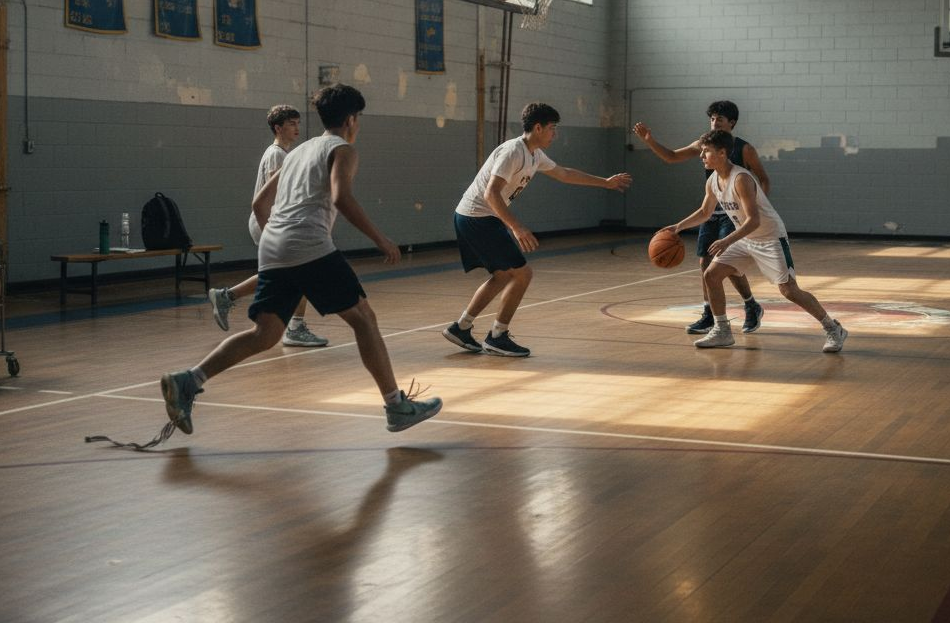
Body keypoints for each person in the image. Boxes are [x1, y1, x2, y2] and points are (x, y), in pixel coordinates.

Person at [161, 84, 442, 435]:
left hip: (274, 247)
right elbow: (342, 198)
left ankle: (188, 380)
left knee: (265, 335)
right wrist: (381, 240)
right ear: (352, 119)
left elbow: (259, 204)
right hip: (308, 245)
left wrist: (277, 239)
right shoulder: (343, 150)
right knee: (364, 319)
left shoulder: (297, 151)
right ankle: (396, 406)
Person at [443, 102, 633, 357]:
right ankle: (497, 336)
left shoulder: (534, 154)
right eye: (553, 128)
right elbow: (491, 193)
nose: (555, 134)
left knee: (502, 275)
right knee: (522, 274)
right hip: (477, 217)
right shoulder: (513, 152)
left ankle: (461, 328)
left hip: (477, 218)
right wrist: (517, 227)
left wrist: (605, 183)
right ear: (538, 127)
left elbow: (565, 174)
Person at [663, 129, 846, 352]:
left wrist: (726, 240)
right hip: (745, 238)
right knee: (711, 274)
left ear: (722, 153)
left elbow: (754, 220)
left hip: (769, 237)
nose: (701, 156)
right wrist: (678, 227)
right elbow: (704, 211)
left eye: (706, 152)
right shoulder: (713, 180)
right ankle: (722, 330)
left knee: (789, 290)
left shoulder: (740, 179)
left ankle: (833, 328)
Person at [632, 101, 770, 335]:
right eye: (712, 118)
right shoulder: (704, 143)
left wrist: (755, 206)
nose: (715, 122)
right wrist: (649, 141)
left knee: (726, 262)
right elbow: (672, 157)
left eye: (720, 119)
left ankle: (749, 305)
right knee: (705, 263)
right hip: (712, 211)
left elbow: (763, 179)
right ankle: (710, 313)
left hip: (734, 214)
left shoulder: (745, 149)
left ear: (732, 123)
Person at [207, 105, 328, 347]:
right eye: (291, 123)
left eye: (297, 123)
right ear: (278, 127)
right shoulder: (277, 155)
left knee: (288, 274)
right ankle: (293, 327)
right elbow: (278, 194)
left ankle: (228, 297)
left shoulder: (284, 154)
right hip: (270, 222)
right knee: (299, 270)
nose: (297, 128)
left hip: (276, 222)